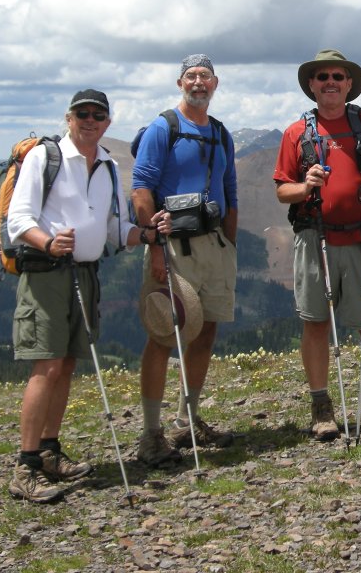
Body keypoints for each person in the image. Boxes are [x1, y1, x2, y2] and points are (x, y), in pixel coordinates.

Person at [7, 89, 170, 502]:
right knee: (46, 365)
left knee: (65, 364)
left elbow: (115, 229)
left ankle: (48, 450)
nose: (90, 120)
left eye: (98, 115)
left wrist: (147, 234)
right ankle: (25, 466)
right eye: (83, 114)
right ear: (69, 118)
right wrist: (47, 243)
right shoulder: (45, 158)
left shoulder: (110, 167)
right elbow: (18, 219)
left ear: (108, 122)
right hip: (47, 273)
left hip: (86, 273)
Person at [274, 49, 361, 440]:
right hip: (315, 239)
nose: (330, 82)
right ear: (311, 86)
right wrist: (307, 186)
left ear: (349, 84)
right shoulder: (296, 134)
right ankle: (321, 406)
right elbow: (284, 192)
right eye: (322, 77)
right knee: (315, 323)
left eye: (337, 76)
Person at [131, 54, 239, 466]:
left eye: (205, 77)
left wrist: (229, 242)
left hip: (214, 245)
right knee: (163, 334)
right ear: (180, 82)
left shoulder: (220, 133)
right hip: (173, 245)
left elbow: (230, 190)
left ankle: (186, 419)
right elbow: (141, 188)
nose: (199, 83)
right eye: (191, 77)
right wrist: (154, 245)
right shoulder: (164, 127)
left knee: (206, 330)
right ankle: (150, 432)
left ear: (215, 84)